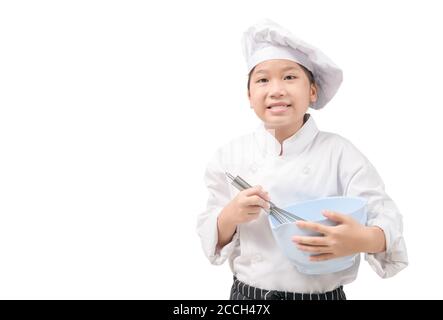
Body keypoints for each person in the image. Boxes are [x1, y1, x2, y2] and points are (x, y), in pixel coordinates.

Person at [196, 19, 408, 300]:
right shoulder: (229, 157)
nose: (276, 90)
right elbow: (211, 235)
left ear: (312, 91)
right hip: (250, 297)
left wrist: (363, 239)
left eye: (289, 77)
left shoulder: (340, 153)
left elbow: (386, 216)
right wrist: (231, 215)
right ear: (249, 95)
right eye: (262, 80)